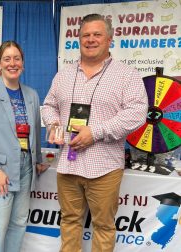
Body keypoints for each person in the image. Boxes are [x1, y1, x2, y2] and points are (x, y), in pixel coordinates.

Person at [41, 14, 148, 252]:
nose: (91, 40)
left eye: (97, 34)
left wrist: (96, 132)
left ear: (109, 39)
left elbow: (136, 114)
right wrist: (54, 124)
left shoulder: (127, 75)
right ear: (78, 39)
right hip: (68, 164)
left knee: (103, 225)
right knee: (69, 220)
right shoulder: (63, 74)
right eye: (85, 35)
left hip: (105, 168)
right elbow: (48, 105)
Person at [0, 41, 46, 252]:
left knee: (18, 224)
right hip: (0, 170)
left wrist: (37, 160)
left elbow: (34, 134)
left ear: (23, 63)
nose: (12, 63)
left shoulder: (31, 94)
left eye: (17, 58)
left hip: (26, 168)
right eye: (7, 59)